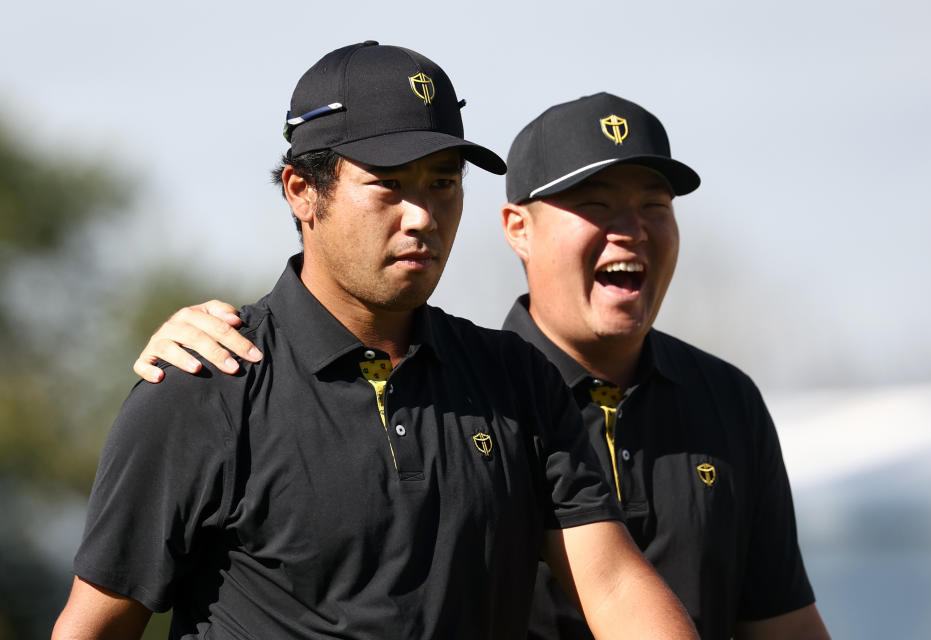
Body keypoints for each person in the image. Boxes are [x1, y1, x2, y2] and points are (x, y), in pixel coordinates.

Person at [52, 44, 696, 640]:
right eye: (389, 182)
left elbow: (611, 585)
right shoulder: (207, 384)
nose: (422, 215)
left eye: (443, 182)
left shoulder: (514, 378)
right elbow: (94, 626)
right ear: (303, 192)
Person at [138, 91, 830, 639]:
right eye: (595, 204)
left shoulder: (725, 399)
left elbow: (776, 621)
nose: (633, 229)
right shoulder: (474, 386)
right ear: (516, 229)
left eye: (655, 205)